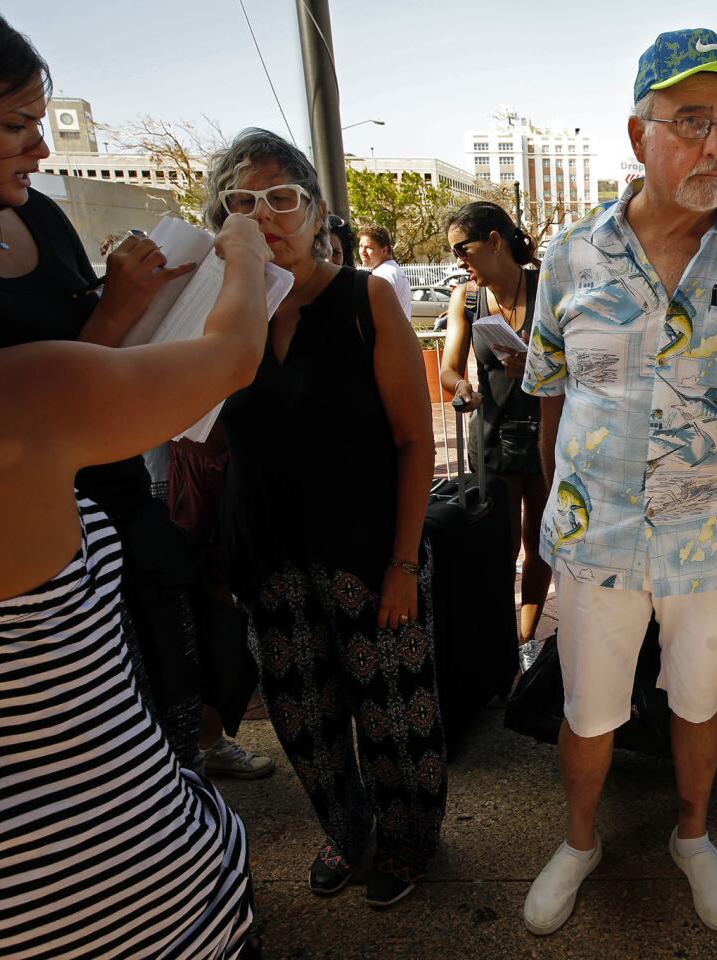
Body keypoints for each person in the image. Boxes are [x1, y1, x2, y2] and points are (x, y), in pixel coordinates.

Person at [519, 27, 717, 936]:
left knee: (700, 700)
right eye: (691, 121)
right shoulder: (572, 256)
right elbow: (550, 398)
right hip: (598, 534)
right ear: (637, 134)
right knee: (589, 713)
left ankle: (693, 837)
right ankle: (579, 843)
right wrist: (548, 534)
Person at [0, 209, 269, 959]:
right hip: (125, 901)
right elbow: (231, 355)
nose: (36, 147)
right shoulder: (5, 395)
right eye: (15, 121)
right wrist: (246, 253)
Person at [0, 0, 207, 766]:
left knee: (168, 718)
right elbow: (21, 420)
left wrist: (153, 306)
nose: (37, 143)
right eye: (13, 124)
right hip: (23, 586)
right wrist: (117, 313)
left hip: (123, 511)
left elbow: (92, 362)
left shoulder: (38, 218)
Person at [207, 128, 444, 910]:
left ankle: (409, 840)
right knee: (303, 717)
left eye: (283, 197)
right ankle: (348, 832)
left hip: (369, 554)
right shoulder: (217, 313)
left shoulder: (363, 299)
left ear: (316, 213)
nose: (264, 214)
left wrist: (404, 563)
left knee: (392, 718)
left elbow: (416, 441)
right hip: (268, 558)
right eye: (243, 200)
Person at [438, 200, 551, 653]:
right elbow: (448, 368)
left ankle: (525, 638)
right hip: (492, 431)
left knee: (541, 539)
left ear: (495, 241)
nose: (459, 261)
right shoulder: (465, 297)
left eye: (462, 249)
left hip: (546, 430)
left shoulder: (548, 288)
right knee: (498, 545)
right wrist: (462, 387)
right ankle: (500, 638)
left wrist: (539, 363)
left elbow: (583, 361)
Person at [358, 222, 412, 318]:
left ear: (384, 250)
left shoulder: (384, 275)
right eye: (361, 246)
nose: (363, 252)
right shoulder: (391, 270)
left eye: (368, 248)